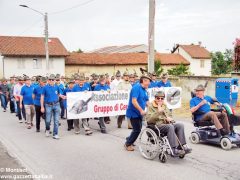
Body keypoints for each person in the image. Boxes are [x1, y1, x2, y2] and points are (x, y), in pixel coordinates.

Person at [146, 91, 192, 155]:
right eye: (158, 98)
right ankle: (173, 148)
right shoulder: (150, 106)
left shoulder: (165, 106)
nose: (160, 100)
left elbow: (169, 115)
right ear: (155, 98)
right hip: (156, 126)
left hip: (166, 124)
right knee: (170, 127)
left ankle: (182, 146)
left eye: (162, 98)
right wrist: (158, 112)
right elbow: (149, 120)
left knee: (180, 125)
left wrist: (170, 118)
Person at [124, 74, 151, 151]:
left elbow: (147, 100)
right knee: (137, 129)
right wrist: (141, 110)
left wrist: (152, 108)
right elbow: (134, 101)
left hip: (139, 113)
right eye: (149, 82)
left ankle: (129, 138)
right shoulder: (136, 88)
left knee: (138, 128)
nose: (149, 84)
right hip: (133, 112)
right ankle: (128, 144)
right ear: (144, 81)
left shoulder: (144, 89)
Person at [41, 74, 62, 139]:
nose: (51, 81)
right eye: (50, 79)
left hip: (56, 104)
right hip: (48, 105)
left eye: (53, 80)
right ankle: (47, 129)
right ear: (48, 80)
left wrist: (63, 96)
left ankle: (55, 134)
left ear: (54, 80)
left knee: (56, 121)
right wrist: (42, 106)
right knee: (47, 120)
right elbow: (42, 97)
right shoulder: (45, 87)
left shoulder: (57, 87)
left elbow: (59, 94)